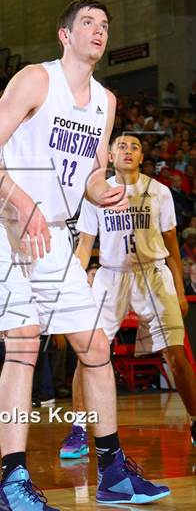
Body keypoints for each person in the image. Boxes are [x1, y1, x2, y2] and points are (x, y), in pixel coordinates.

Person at [0, 0, 170, 511]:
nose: (98, 30)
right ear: (64, 35)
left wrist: (102, 193)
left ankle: (114, 472)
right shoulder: (36, 80)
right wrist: (23, 202)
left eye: (105, 25)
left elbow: (90, 174)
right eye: (88, 22)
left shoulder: (105, 100)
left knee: (95, 344)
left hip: (53, 231)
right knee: (24, 342)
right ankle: (12, 483)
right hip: (3, 222)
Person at [62, 134, 196, 458]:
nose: (128, 150)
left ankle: (195, 421)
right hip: (110, 275)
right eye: (121, 146)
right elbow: (83, 246)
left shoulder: (159, 192)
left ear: (140, 157)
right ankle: (79, 428)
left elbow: (173, 247)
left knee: (175, 355)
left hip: (153, 273)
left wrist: (179, 289)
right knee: (89, 353)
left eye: (135, 147)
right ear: (110, 156)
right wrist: (74, 285)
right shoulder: (97, 193)